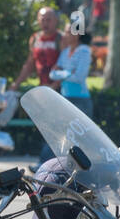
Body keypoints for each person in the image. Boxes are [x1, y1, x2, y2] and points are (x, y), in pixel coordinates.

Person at [38, 28, 93, 162]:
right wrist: (69, 73)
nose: (65, 34)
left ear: (77, 35)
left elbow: (80, 77)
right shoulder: (65, 52)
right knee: (56, 133)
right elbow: (53, 73)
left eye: (68, 32)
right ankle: (44, 163)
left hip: (80, 101)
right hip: (65, 99)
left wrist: (62, 74)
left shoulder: (84, 51)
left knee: (81, 137)